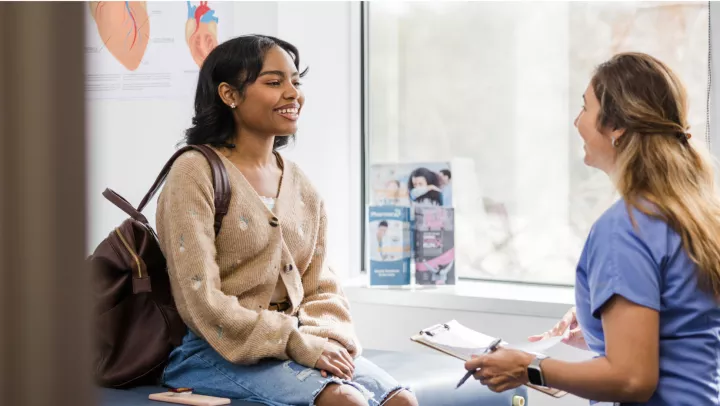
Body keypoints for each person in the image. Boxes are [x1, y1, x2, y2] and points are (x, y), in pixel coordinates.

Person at [156, 34, 418, 406]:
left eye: (296, 81)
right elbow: (202, 300)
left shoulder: (300, 184)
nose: (293, 93)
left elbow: (322, 286)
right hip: (212, 352)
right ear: (229, 95)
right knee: (346, 401)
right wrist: (295, 343)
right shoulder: (193, 172)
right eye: (274, 82)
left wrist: (323, 338)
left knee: (402, 401)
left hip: (299, 340)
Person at [465, 52, 720, 405]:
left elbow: (632, 379)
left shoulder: (625, 227)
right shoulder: (694, 213)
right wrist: (602, 326)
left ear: (617, 127)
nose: (576, 122)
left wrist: (528, 367)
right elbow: (684, 326)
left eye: (585, 108)